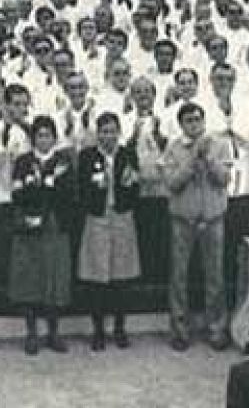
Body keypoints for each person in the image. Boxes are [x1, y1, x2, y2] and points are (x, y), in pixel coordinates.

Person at [164, 100, 234, 352]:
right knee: (179, 277)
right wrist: (193, 160)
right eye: (188, 120)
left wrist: (209, 160)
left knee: (215, 275)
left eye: (197, 119)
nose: (194, 125)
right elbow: (172, 183)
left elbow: (225, 179)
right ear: (182, 124)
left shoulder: (220, 144)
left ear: (204, 121)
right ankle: (180, 330)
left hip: (214, 218)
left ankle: (216, 328)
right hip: (183, 220)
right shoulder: (174, 148)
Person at [7, 114, 75, 355]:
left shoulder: (63, 161)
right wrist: (42, 187)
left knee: (54, 277)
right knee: (30, 278)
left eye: (48, 135)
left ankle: (54, 332)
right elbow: (18, 195)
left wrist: (43, 185)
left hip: (55, 225)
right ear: (32, 138)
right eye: (39, 135)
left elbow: (67, 194)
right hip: (29, 225)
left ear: (55, 138)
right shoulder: (23, 162)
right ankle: (31, 333)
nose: (44, 140)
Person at [75, 111, 142, 351]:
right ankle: (98, 331)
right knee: (97, 278)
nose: (108, 136)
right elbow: (81, 190)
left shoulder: (128, 155)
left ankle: (120, 328)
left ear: (119, 133)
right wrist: (96, 189)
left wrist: (127, 184)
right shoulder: (87, 156)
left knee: (121, 278)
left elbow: (135, 188)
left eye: (113, 131)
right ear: (97, 134)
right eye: (104, 131)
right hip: (97, 218)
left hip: (122, 217)